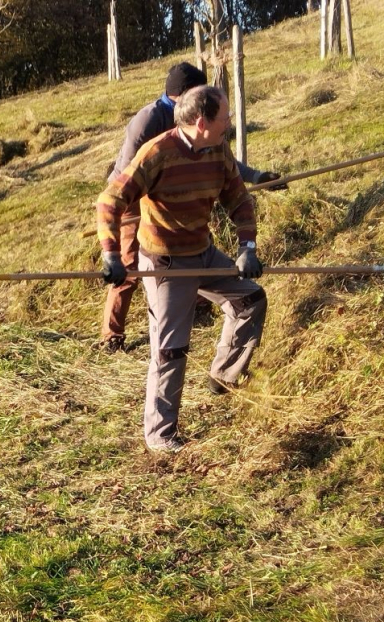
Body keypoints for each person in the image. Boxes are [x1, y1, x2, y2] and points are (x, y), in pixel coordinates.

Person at [96, 85, 268, 453]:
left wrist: (246, 247)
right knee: (170, 349)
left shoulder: (218, 149)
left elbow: (238, 198)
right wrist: (111, 255)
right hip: (166, 264)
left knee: (250, 299)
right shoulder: (157, 153)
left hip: (203, 254)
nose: (230, 124)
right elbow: (110, 201)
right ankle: (160, 435)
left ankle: (224, 374)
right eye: (225, 118)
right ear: (202, 121)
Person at [99, 62, 283, 353]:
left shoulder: (208, 137)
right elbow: (125, 179)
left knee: (201, 265)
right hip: (140, 202)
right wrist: (113, 250)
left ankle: (194, 300)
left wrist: (256, 177)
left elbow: (226, 170)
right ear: (185, 97)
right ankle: (112, 334)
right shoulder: (149, 121)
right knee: (129, 267)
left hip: (180, 210)